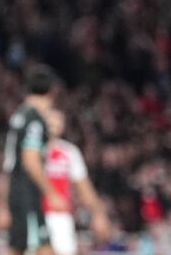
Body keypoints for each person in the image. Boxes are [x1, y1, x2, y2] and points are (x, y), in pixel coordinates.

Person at [0, 67, 66, 255]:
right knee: (43, 249)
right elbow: (31, 161)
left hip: (17, 192)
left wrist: (2, 203)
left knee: (22, 248)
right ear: (52, 90)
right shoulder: (34, 120)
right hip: (27, 195)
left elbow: (9, 163)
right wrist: (52, 193)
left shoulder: (19, 115)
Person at [43, 109, 110, 255]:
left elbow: (84, 187)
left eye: (58, 120)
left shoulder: (69, 151)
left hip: (60, 217)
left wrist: (98, 213)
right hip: (33, 214)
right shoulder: (29, 151)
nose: (54, 124)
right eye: (50, 120)